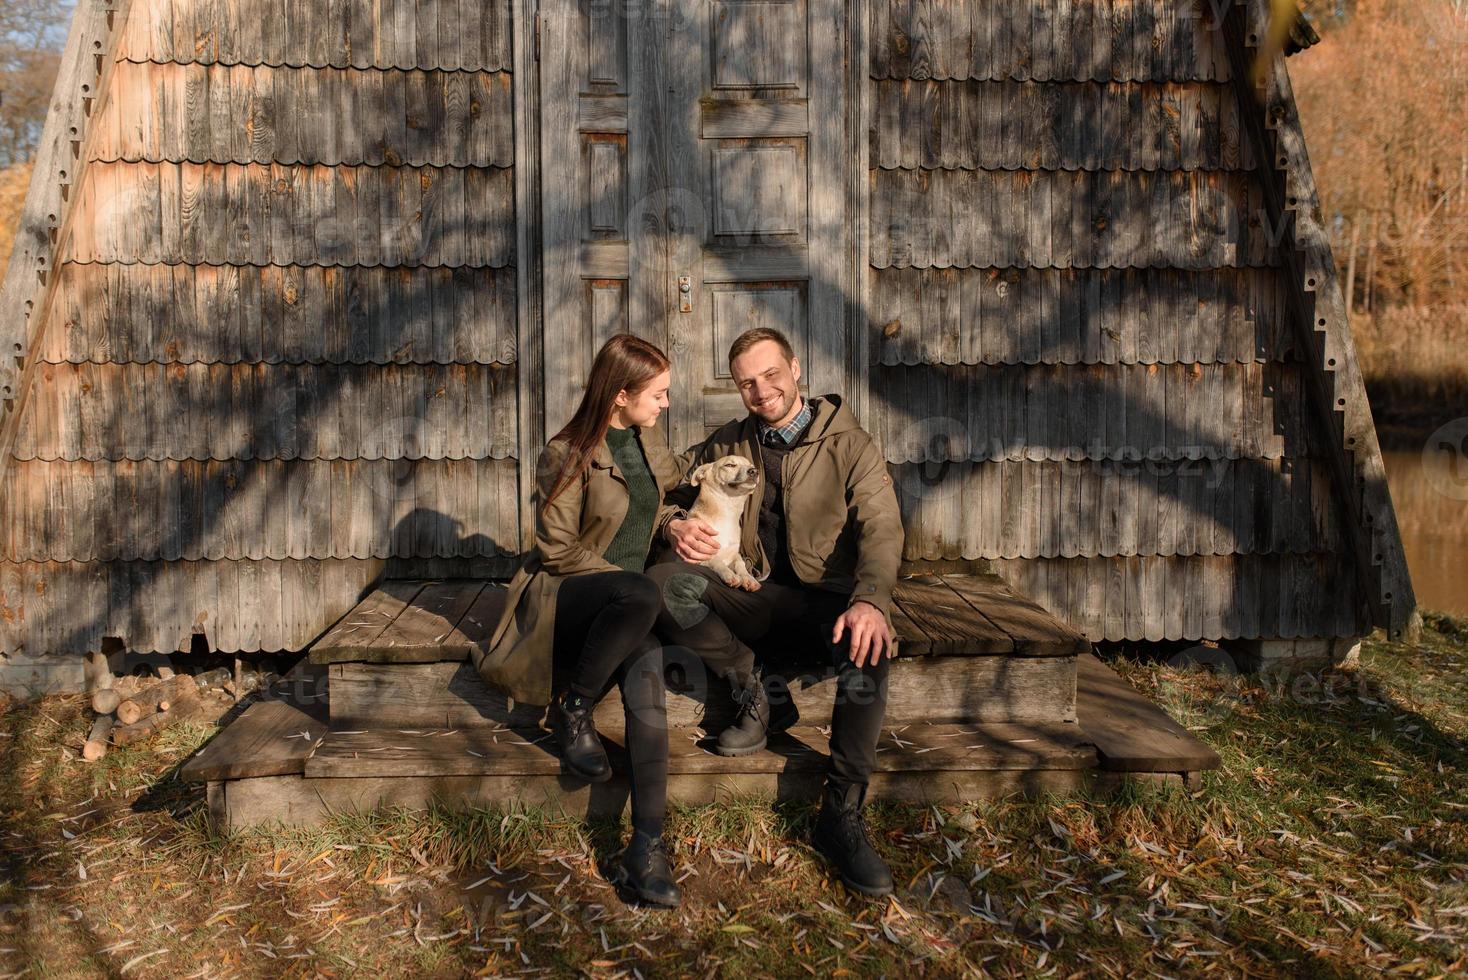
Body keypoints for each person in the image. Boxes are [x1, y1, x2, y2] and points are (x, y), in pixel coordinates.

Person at [646, 327, 906, 898]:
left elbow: (882, 526)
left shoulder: (850, 443)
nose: (762, 391)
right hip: (751, 597)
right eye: (747, 383)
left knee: (870, 641)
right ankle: (755, 688)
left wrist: (869, 601)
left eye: (771, 375)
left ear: (795, 367)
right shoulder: (727, 444)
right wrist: (673, 524)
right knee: (662, 585)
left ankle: (840, 815)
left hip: (824, 605)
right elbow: (665, 488)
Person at [473, 334, 686, 908]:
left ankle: (646, 846)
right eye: (659, 394)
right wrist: (630, 583)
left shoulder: (645, 436)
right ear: (621, 394)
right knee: (641, 594)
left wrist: (674, 527)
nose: (666, 404)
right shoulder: (566, 452)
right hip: (573, 596)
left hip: (632, 606)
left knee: (647, 691)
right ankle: (574, 706)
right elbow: (559, 551)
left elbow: (659, 503)